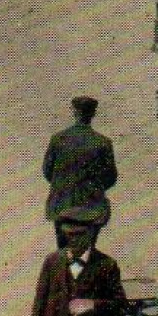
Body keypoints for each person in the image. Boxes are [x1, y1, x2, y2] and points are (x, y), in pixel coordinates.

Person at [43, 95, 119, 247]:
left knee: (63, 254)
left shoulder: (58, 139)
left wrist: (65, 185)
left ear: (74, 112)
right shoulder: (103, 143)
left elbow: (47, 171)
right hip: (92, 209)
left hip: (62, 206)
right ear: (93, 114)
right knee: (88, 255)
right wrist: (92, 188)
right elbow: (111, 177)